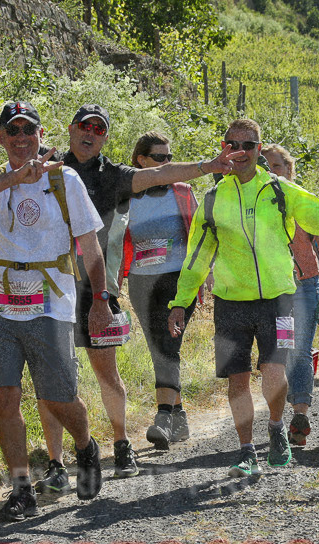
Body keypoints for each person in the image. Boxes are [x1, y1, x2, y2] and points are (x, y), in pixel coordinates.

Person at [0, 46, 241, 480]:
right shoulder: (48, 162)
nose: (90, 133)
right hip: (45, 287)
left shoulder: (115, 176)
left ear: (105, 137)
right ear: (70, 130)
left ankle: (121, 443)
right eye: (84, 126)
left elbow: (164, 175)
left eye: (99, 128)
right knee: (53, 385)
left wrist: (209, 166)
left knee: (104, 371)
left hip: (96, 286)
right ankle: (55, 463)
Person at [167, 119, 319, 477]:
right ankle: (246, 450)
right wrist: (181, 301)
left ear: (258, 149)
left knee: (275, 368)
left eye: (248, 145)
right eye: (232, 144)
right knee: (236, 378)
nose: (239, 152)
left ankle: (276, 427)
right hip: (230, 302)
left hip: (279, 297)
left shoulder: (281, 191)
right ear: (223, 148)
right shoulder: (213, 198)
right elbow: (197, 255)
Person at [0, 100, 110, 519]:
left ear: (42, 136)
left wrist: (100, 299)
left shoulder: (65, 180)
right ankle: (21, 489)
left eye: (30, 132)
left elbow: (89, 243)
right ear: (2, 137)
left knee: (58, 398)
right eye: (14, 132)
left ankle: (85, 446)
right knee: (4, 397)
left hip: (50, 302)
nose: (22, 139)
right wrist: (12, 179)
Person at [106, 131, 199, 450]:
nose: (166, 164)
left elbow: (202, 237)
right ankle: (179, 414)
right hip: (141, 281)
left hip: (178, 281)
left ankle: (162, 418)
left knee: (168, 347)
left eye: (169, 158)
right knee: (159, 348)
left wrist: (207, 274)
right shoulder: (127, 198)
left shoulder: (182, 192)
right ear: (141, 161)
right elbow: (115, 241)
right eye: (159, 158)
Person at [260, 144, 319, 447]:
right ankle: (281, 417)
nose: (270, 171)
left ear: (289, 170)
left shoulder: (304, 202)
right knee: (281, 351)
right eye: (264, 166)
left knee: (300, 349)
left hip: (305, 285)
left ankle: (300, 413)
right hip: (271, 290)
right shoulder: (253, 205)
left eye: (276, 166)